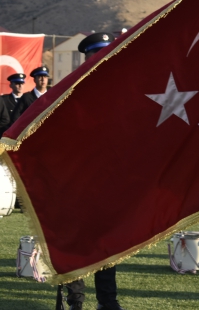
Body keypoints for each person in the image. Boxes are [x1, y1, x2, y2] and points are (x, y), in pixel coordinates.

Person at [62, 32, 126, 310]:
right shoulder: (68, 91)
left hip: (109, 182)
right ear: (85, 59)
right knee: (75, 245)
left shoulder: (123, 91)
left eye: (103, 53)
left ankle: (107, 302)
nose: (98, 59)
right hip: (75, 182)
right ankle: (76, 302)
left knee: (107, 246)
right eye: (94, 55)